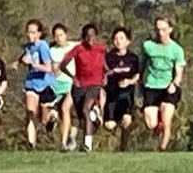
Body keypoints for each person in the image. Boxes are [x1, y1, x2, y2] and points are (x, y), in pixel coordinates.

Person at [59, 24, 109, 152]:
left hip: (95, 85)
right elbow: (62, 65)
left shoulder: (101, 48)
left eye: (93, 35)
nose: (90, 38)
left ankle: (88, 144)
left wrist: (105, 75)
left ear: (96, 36)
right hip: (80, 86)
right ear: (83, 37)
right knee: (82, 117)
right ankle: (95, 118)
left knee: (86, 109)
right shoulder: (78, 49)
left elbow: (105, 65)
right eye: (87, 35)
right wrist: (73, 77)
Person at [141, 17, 186, 152]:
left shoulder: (177, 50)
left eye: (164, 30)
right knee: (150, 124)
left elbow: (179, 73)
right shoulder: (148, 46)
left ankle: (163, 148)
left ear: (170, 30)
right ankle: (157, 123)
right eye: (158, 30)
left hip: (168, 88)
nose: (160, 33)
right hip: (151, 86)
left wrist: (174, 84)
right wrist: (139, 79)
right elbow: (142, 64)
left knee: (167, 120)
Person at [18, 19, 56, 151]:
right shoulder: (28, 47)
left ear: (39, 34)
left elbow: (48, 68)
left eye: (33, 32)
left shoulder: (43, 47)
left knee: (43, 119)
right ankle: (31, 143)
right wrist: (19, 62)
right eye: (28, 32)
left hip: (45, 84)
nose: (30, 35)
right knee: (30, 112)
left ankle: (51, 117)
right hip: (31, 83)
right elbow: (24, 58)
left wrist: (33, 64)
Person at [103, 27, 141, 151]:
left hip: (127, 95)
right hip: (112, 96)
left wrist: (129, 81)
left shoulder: (133, 58)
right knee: (109, 125)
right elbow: (103, 74)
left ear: (128, 41)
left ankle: (123, 148)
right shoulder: (109, 57)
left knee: (127, 120)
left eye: (121, 38)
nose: (118, 41)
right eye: (115, 39)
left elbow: (137, 75)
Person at [47, 24, 79, 150]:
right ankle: (66, 139)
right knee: (62, 113)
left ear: (66, 34)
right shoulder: (52, 51)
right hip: (57, 84)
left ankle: (66, 140)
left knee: (67, 109)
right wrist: (59, 66)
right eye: (56, 36)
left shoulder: (75, 46)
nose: (59, 38)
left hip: (72, 84)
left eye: (61, 35)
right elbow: (54, 71)